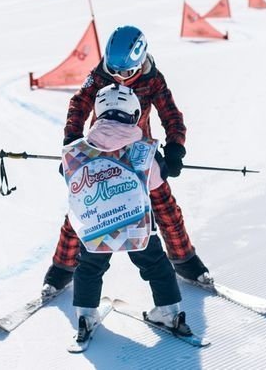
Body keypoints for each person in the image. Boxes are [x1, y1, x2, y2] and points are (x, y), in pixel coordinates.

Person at [42, 25, 212, 298]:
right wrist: (72, 144)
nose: (118, 78)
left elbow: (171, 116)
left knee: (165, 207)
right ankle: (63, 267)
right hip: (100, 151)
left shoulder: (153, 80)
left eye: (126, 73)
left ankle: (184, 260)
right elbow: (79, 106)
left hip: (138, 154)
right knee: (85, 208)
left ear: (141, 61)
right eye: (113, 71)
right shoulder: (99, 76)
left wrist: (175, 149)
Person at [65, 84, 192, 343]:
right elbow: (156, 181)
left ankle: (85, 316)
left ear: (99, 112)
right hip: (137, 225)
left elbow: (68, 176)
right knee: (156, 264)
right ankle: (169, 312)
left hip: (97, 226)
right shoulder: (144, 150)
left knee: (89, 267)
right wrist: (162, 165)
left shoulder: (78, 150)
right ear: (134, 114)